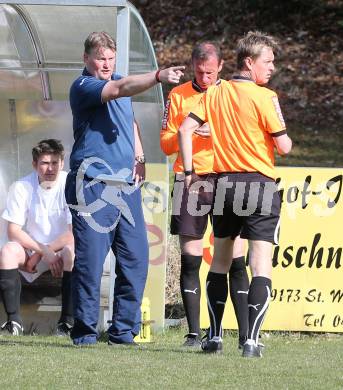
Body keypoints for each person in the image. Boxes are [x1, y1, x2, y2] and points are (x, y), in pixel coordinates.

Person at [65, 31, 184, 346]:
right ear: (86, 58)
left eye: (110, 58)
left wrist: (140, 156)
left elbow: (128, 119)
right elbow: (118, 88)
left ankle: (122, 332)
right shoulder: (84, 86)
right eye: (100, 58)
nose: (106, 64)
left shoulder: (119, 83)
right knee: (91, 262)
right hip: (90, 184)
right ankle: (86, 333)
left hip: (125, 186)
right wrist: (159, 76)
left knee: (135, 258)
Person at [178, 31, 292, 357]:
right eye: (267, 61)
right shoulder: (264, 96)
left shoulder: (215, 92)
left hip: (224, 185)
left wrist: (189, 173)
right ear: (249, 62)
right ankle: (252, 342)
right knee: (260, 264)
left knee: (220, 263)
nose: (271, 68)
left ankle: (213, 337)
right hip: (258, 185)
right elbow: (284, 146)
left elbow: (185, 129)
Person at [160, 42, 250, 348]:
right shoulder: (178, 95)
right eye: (199, 71)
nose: (205, 77)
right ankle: (193, 334)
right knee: (191, 259)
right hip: (191, 179)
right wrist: (188, 131)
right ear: (192, 66)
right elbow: (166, 143)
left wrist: (217, 133)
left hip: (227, 176)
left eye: (210, 71)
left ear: (221, 66)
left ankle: (246, 334)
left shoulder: (233, 95)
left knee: (236, 258)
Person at [0, 139, 74, 336]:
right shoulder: (21, 186)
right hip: (33, 253)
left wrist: (47, 251)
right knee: (8, 251)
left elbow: (73, 232)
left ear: (62, 163)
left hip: (59, 252)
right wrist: (42, 252)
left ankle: (66, 324)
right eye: (44, 163)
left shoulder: (70, 184)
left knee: (72, 253)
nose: (50, 168)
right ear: (34, 165)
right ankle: (13, 322)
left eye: (54, 163)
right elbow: (13, 231)